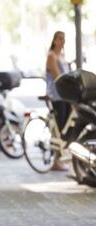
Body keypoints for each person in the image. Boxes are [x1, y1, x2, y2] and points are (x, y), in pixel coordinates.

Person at [46, 31, 71, 171]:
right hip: (56, 96)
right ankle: (56, 160)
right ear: (54, 40)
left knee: (65, 127)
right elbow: (58, 77)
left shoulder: (62, 56)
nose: (62, 41)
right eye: (60, 38)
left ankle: (62, 157)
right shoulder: (51, 56)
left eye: (64, 38)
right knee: (59, 126)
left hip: (65, 96)